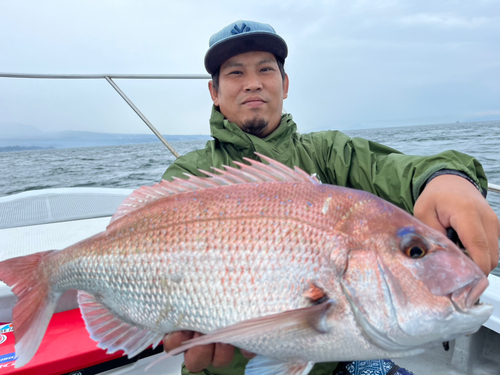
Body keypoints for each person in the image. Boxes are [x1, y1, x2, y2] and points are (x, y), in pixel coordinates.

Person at [161, 20, 500, 375]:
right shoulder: (190, 177)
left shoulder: (328, 153)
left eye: (265, 69)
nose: (253, 82)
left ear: (285, 84)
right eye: (235, 73)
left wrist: (446, 177)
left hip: (333, 361)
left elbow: (397, 170)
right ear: (214, 92)